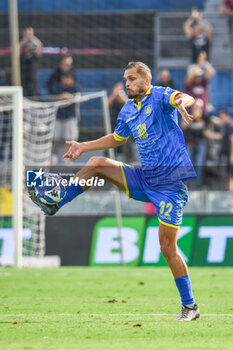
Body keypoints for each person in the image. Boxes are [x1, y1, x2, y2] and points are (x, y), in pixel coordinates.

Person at [29, 61, 200, 321]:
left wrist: (182, 103)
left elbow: (183, 96)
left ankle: (190, 307)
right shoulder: (128, 110)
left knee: (167, 247)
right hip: (144, 178)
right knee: (97, 163)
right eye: (125, 79)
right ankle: (57, 200)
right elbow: (117, 139)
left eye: (132, 78)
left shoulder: (160, 95)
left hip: (170, 185)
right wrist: (83, 146)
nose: (127, 83)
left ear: (147, 78)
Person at [51, 73, 80, 164]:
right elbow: (52, 99)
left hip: (70, 116)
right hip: (58, 116)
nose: (66, 81)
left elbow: (79, 100)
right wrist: (61, 97)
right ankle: (53, 157)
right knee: (55, 138)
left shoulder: (76, 87)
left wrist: (69, 97)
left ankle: (66, 157)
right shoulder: (58, 87)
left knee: (69, 139)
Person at [182, 98, 209, 188]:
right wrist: (192, 117)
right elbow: (183, 127)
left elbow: (206, 132)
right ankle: (187, 185)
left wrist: (200, 121)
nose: (198, 108)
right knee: (188, 164)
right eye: (196, 106)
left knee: (200, 163)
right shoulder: (188, 115)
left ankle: (198, 185)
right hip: (190, 142)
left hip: (201, 142)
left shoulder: (205, 116)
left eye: (200, 107)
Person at [205, 109, 233, 190]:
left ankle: (230, 194)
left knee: (230, 175)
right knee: (226, 174)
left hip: (229, 154)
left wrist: (232, 155)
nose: (221, 118)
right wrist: (209, 134)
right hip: (225, 154)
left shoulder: (230, 125)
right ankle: (228, 191)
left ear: (227, 115)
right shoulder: (226, 125)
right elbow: (221, 136)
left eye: (222, 116)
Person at [20, 27, 43, 96]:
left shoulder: (35, 56)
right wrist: (25, 38)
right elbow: (18, 48)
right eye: (27, 47)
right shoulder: (22, 55)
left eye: (30, 47)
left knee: (33, 91)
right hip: (23, 76)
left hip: (32, 77)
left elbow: (39, 47)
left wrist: (32, 37)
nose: (28, 49)